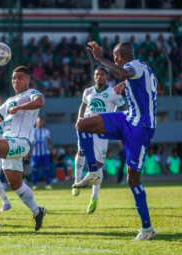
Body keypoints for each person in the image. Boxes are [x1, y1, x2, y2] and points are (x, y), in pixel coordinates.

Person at [73, 41, 157, 241]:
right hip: (127, 118)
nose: (114, 60)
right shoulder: (143, 68)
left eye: (114, 57)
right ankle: (93, 171)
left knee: (132, 179)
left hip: (140, 127)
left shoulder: (134, 66)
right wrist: (126, 84)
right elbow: (134, 81)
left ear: (119, 56)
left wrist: (101, 59)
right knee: (82, 125)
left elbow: (124, 72)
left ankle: (147, 228)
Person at [0, 66, 47, 231]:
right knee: (15, 184)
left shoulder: (32, 93)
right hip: (11, 143)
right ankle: (37, 211)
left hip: (21, 142)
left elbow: (40, 102)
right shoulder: (9, 101)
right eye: (13, 78)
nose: (16, 81)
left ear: (28, 79)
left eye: (20, 77)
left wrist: (19, 108)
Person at [72, 67, 126, 214]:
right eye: (97, 74)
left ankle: (94, 198)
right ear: (94, 77)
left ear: (106, 77)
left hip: (103, 130)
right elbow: (83, 106)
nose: (99, 77)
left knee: (98, 165)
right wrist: (80, 119)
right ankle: (77, 180)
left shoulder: (113, 92)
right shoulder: (88, 92)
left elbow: (124, 108)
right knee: (80, 151)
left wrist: (120, 126)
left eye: (102, 74)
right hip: (87, 126)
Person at [31, 115, 53, 190]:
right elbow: (30, 143)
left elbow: (49, 141)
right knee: (35, 169)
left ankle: (47, 184)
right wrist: (27, 153)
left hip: (45, 153)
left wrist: (52, 148)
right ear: (36, 122)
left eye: (41, 121)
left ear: (43, 122)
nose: (40, 122)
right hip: (35, 154)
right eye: (38, 121)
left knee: (47, 169)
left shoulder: (46, 131)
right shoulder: (33, 131)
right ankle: (34, 184)